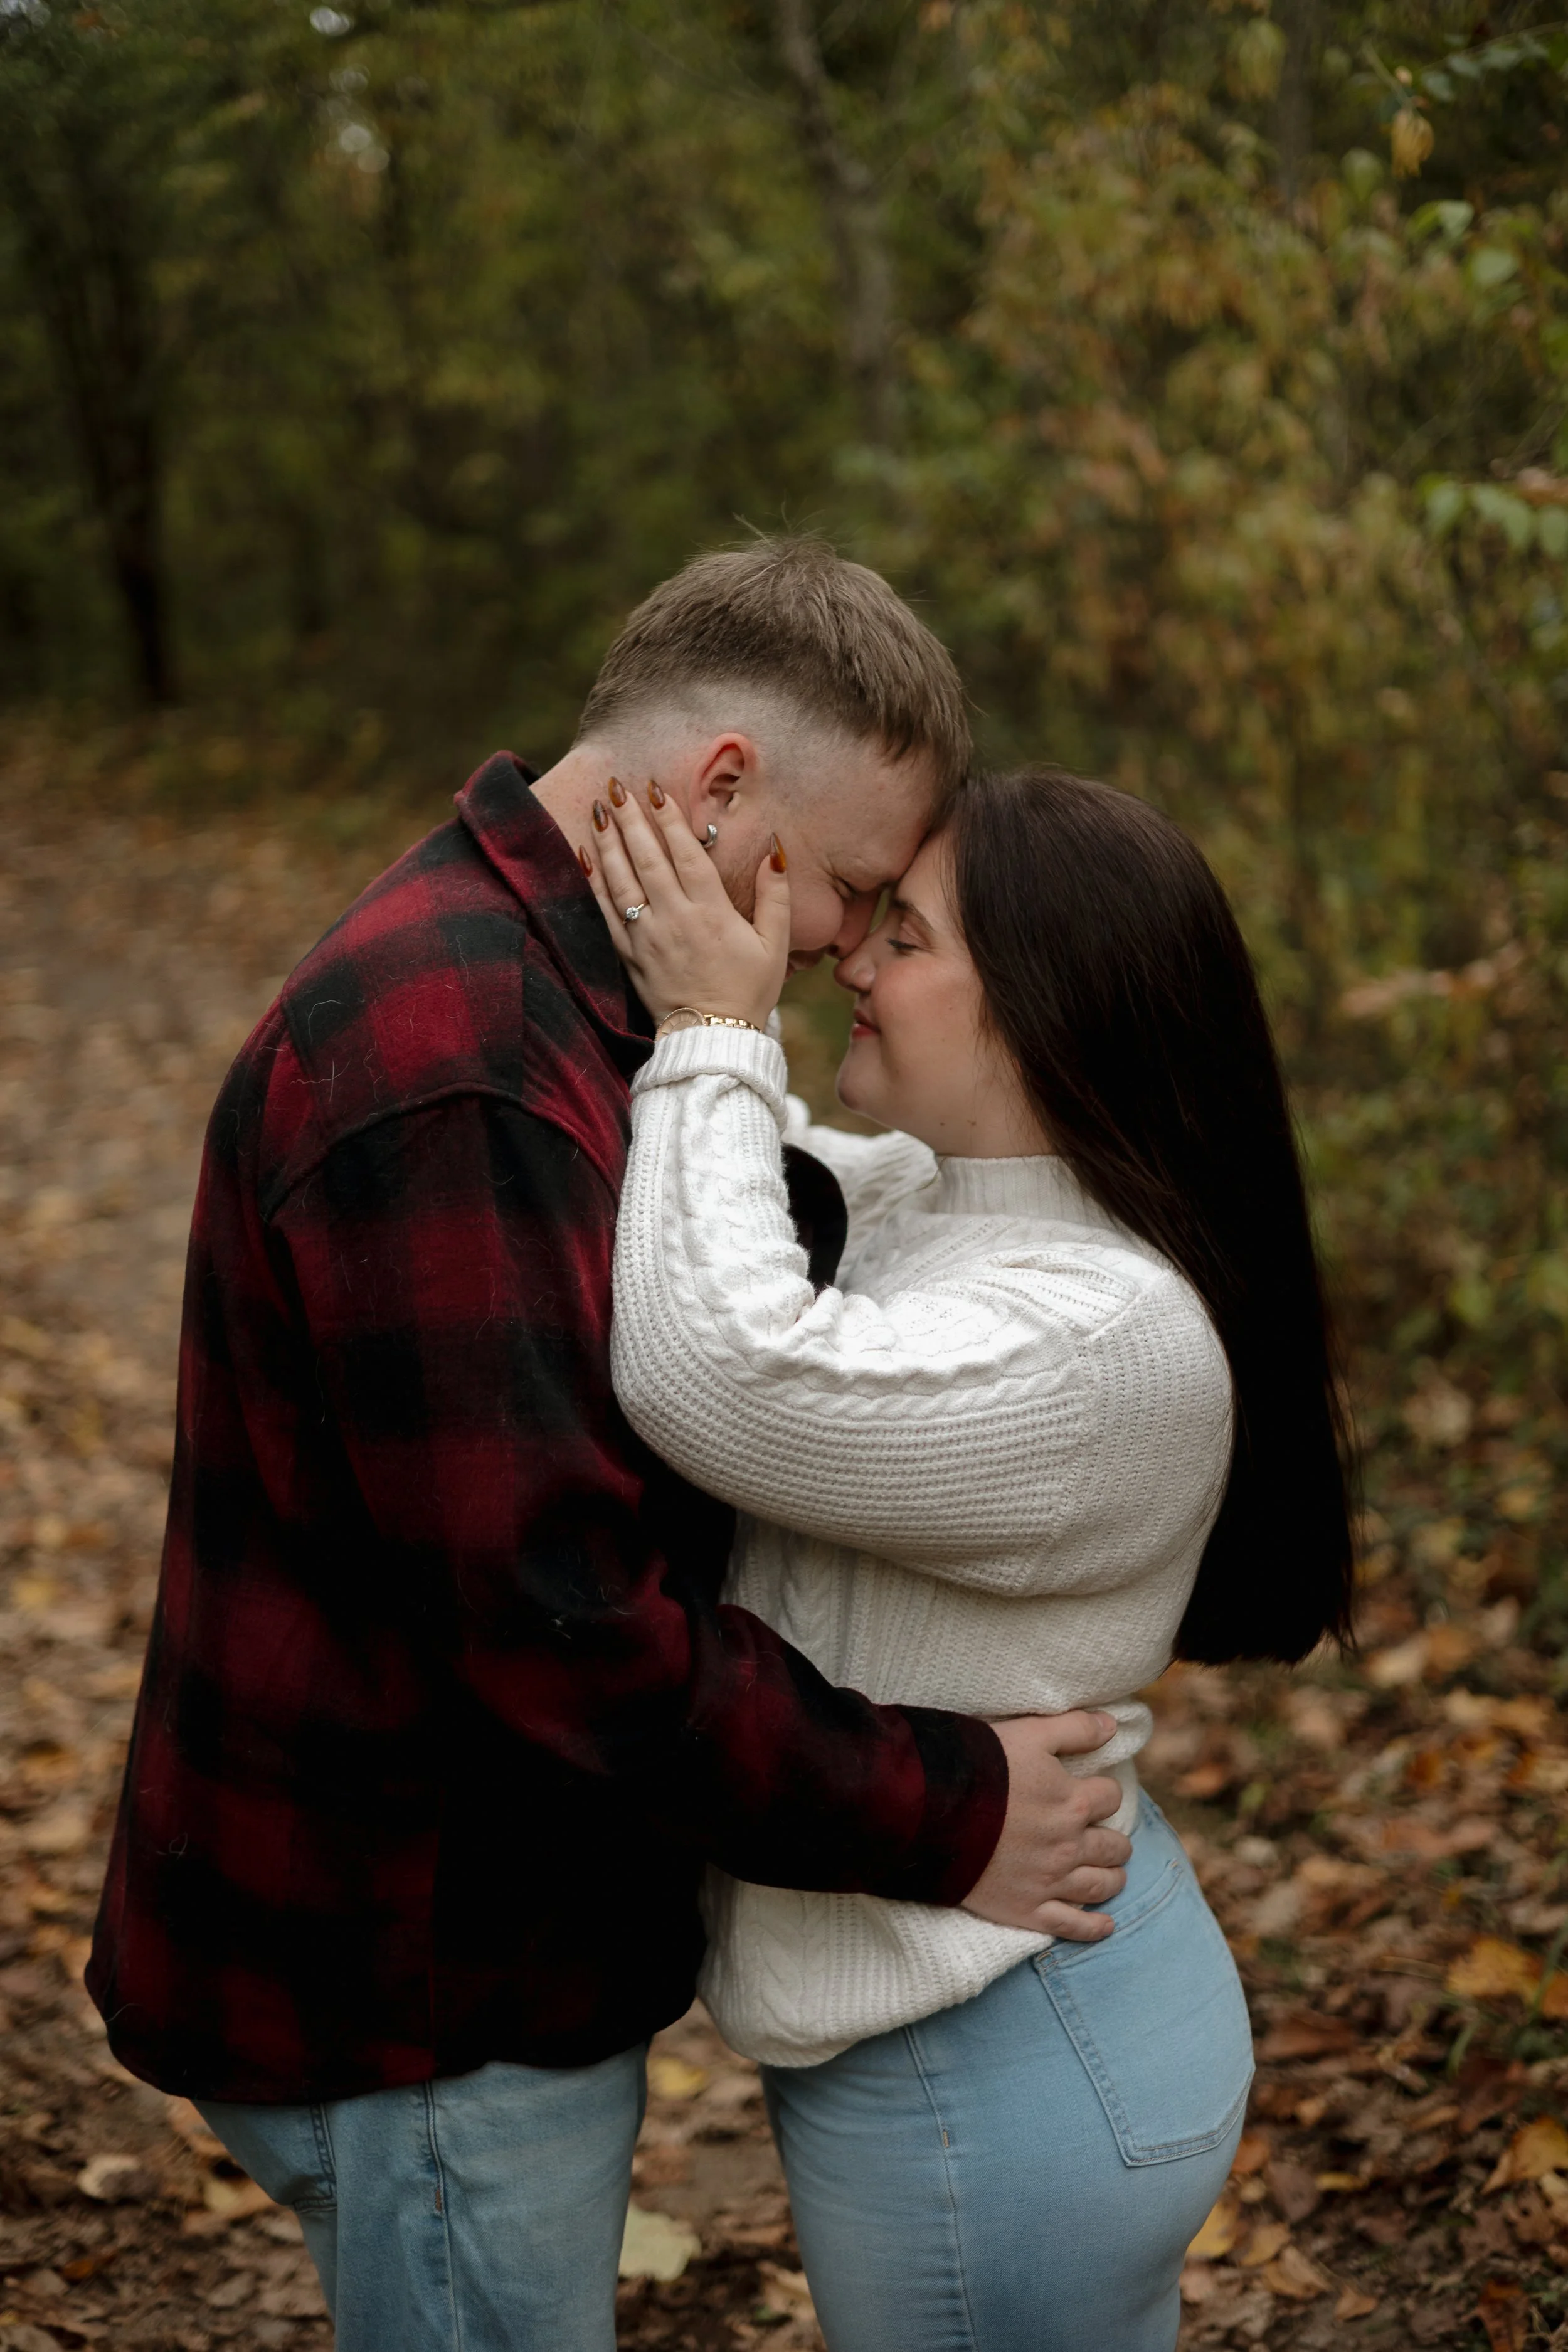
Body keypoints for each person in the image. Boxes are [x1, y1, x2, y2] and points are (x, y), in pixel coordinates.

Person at [87, 542, 1136, 2352]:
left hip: (461, 1953)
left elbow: (709, 1283)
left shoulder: (567, 996)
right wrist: (954, 1806)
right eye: (852, 885)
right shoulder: (465, 1063)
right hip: (424, 1994)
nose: (838, 943)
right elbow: (565, 1630)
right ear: (722, 788)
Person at [584, 760, 1355, 2352]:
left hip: (1004, 2059)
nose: (851, 956)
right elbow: (730, 1204)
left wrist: (715, 1033)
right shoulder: (944, 1208)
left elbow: (717, 1367)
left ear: (1045, 1013)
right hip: (989, 2014)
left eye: (908, 936)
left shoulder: (1104, 1336)